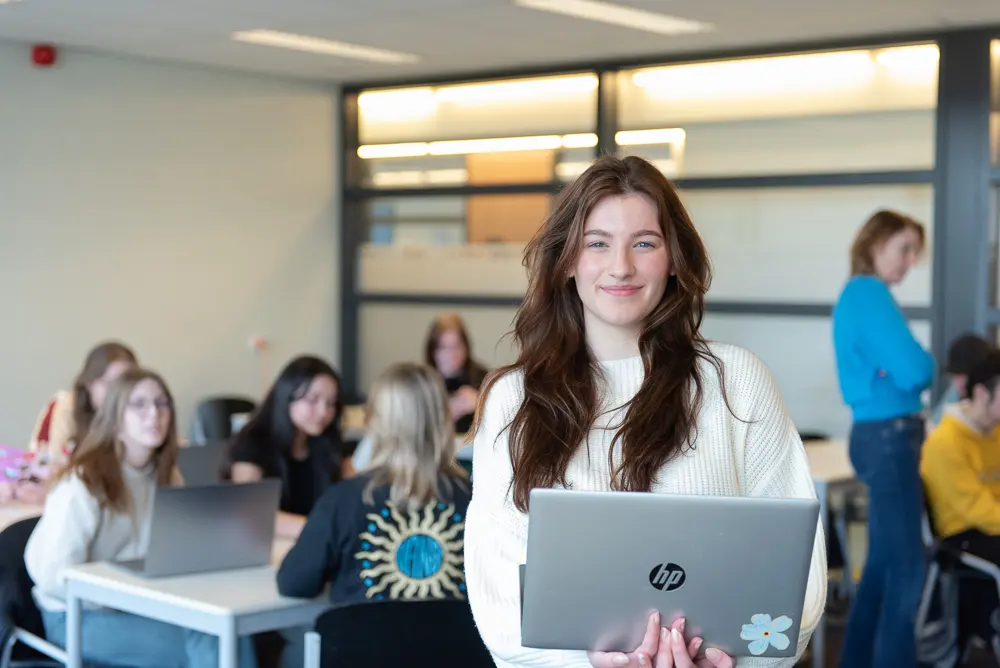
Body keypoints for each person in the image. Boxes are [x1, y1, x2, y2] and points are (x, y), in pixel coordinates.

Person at [464, 155, 826, 668]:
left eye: (645, 243)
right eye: (597, 243)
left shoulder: (737, 381)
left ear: (675, 257)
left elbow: (800, 569)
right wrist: (591, 664)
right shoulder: (513, 400)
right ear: (566, 261)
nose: (621, 266)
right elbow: (497, 594)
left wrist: (738, 662)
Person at [24, 368, 257, 668]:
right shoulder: (84, 482)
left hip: (139, 605)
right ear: (116, 420)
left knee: (233, 630)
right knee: (206, 642)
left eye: (162, 404)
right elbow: (53, 576)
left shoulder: (168, 476)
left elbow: (170, 553)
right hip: (75, 616)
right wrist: (125, 597)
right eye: (139, 405)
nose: (154, 414)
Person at [277, 362, 471, 667]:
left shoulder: (344, 500)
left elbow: (294, 583)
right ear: (442, 418)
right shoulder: (476, 499)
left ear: (375, 422)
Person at [832, 210, 935, 668]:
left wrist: (902, 373)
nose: (910, 261)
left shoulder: (862, 295)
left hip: (882, 436)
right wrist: (914, 370)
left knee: (880, 568)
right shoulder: (868, 293)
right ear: (875, 243)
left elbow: (907, 372)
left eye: (914, 251)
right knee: (905, 569)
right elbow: (918, 369)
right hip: (890, 438)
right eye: (904, 248)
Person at [921, 349, 1000, 650]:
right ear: (982, 393)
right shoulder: (946, 442)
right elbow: (978, 512)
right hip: (961, 535)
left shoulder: (995, 431)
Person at [226, 355, 345, 539]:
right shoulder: (251, 444)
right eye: (313, 400)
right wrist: (322, 529)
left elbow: (355, 497)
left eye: (331, 403)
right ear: (287, 396)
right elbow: (253, 515)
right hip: (268, 549)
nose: (323, 412)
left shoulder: (330, 443)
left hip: (320, 545)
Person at [28, 340, 137, 461]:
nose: (117, 393)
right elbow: (54, 464)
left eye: (126, 385)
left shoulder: (138, 411)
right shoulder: (68, 407)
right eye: (110, 385)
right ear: (90, 383)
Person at [928, 333, 993, 428]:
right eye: (955, 377)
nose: (959, 383)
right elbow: (932, 426)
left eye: (965, 377)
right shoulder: (956, 390)